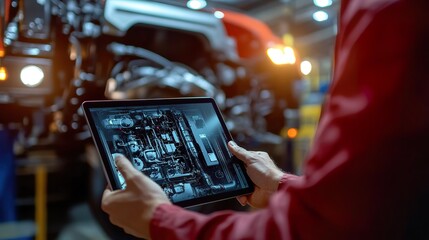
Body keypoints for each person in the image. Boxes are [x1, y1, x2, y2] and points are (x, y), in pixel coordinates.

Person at [101, 0, 429, 239]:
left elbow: (324, 231)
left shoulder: (389, 12)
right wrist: (281, 185)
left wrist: (161, 221)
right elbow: (383, 200)